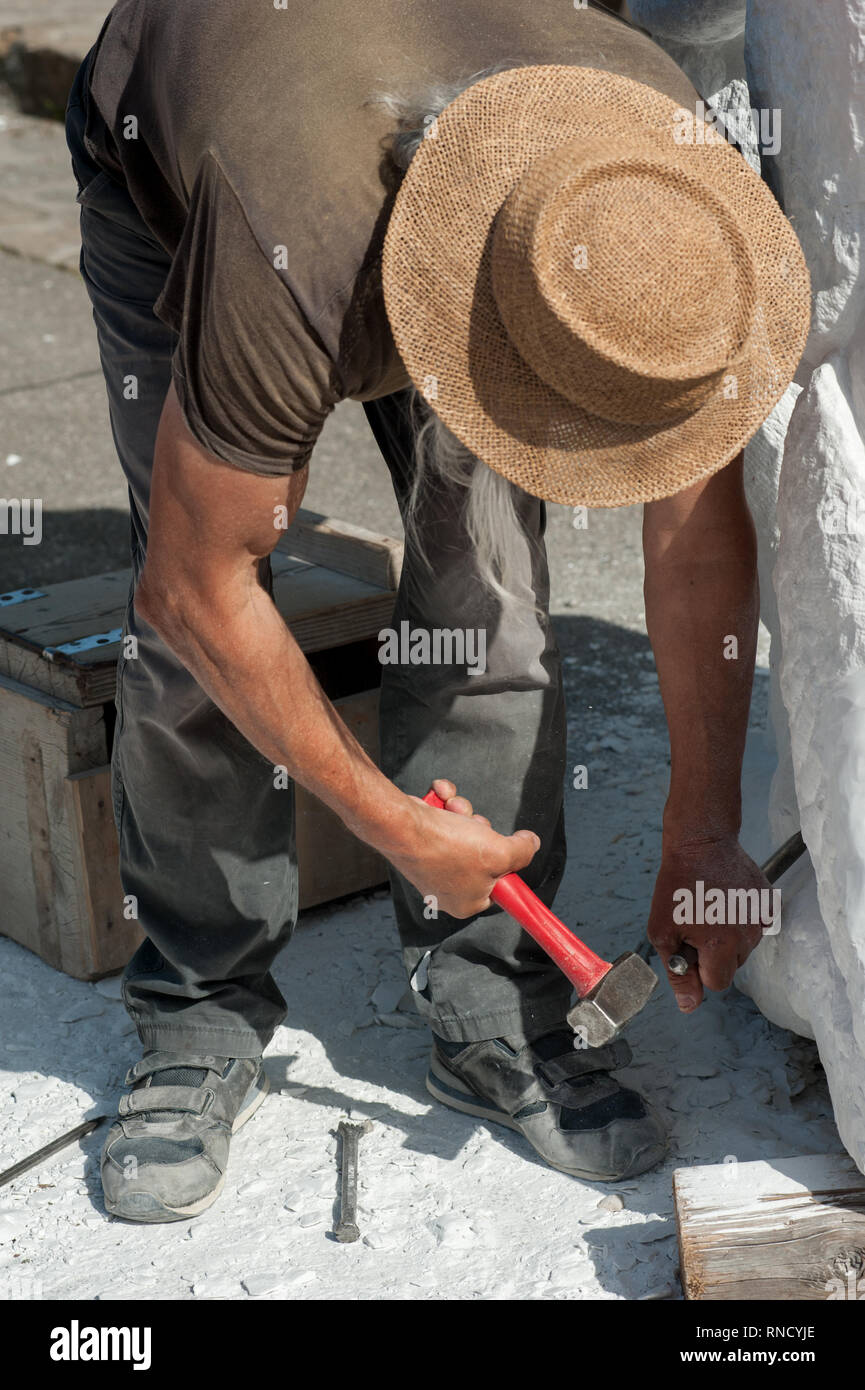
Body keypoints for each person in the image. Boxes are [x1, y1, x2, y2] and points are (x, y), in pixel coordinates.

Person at [64, 0, 810, 1223]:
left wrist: (700, 836)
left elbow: (690, 545)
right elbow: (202, 589)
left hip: (479, 158)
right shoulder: (288, 232)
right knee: (195, 620)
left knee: (489, 587)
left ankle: (494, 1002)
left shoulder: (660, 216)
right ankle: (196, 1005)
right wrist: (391, 824)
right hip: (208, 138)